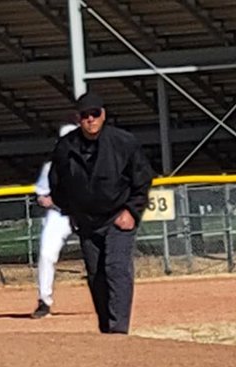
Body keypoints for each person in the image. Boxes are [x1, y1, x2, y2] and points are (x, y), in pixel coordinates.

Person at [49, 92, 154, 334]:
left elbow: (143, 179)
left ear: (103, 115)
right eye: (85, 115)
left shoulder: (123, 142)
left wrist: (131, 210)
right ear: (78, 118)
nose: (90, 119)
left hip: (118, 217)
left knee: (116, 268)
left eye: (95, 114)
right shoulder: (66, 147)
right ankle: (106, 330)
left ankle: (119, 331)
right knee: (97, 275)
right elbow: (57, 184)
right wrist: (70, 211)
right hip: (87, 221)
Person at [31, 124, 79, 319]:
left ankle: (111, 299)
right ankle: (44, 301)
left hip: (86, 213)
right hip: (59, 214)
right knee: (46, 254)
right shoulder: (52, 167)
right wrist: (48, 199)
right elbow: (41, 196)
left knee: (101, 253)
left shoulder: (95, 162)